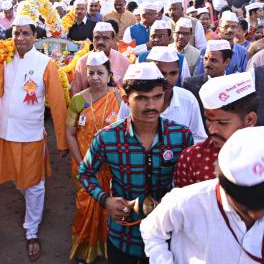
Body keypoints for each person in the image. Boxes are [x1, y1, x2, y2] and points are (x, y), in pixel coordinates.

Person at [79, 62, 193, 264]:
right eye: (141, 98)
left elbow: (188, 184)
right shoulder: (107, 138)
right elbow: (85, 173)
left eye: (157, 97)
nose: (151, 106)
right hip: (124, 234)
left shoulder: (181, 135)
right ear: (125, 100)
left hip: (167, 236)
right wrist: (105, 200)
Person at [0, 15, 68, 261]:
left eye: (25, 33)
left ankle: (31, 230)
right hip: (5, 132)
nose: (20, 38)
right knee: (16, 180)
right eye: (16, 33)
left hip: (31, 134)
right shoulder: (3, 59)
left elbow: (57, 104)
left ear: (35, 36)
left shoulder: (45, 63)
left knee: (33, 183)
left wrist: (62, 140)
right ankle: (36, 205)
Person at [140, 126, 264, 264]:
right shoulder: (189, 201)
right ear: (225, 188)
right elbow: (152, 230)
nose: (257, 215)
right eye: (246, 206)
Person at [67, 51, 124, 264]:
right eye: (91, 73)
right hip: (85, 167)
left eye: (100, 73)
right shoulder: (78, 100)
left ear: (110, 75)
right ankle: (84, 249)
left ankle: (109, 248)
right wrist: (83, 164)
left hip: (112, 168)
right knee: (85, 207)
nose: (95, 77)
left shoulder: (119, 97)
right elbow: (69, 133)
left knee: (111, 207)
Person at [175, 72, 258, 187]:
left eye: (222, 123)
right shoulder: (191, 158)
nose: (212, 130)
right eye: (208, 120)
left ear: (250, 120)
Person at [120, 47, 207, 143]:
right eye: (162, 73)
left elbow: (199, 137)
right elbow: (121, 131)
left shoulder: (188, 99)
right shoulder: (133, 100)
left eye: (173, 73)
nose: (168, 79)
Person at [71, 22, 130, 94]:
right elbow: (76, 91)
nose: (100, 42)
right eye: (97, 38)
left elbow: (128, 92)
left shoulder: (123, 61)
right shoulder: (82, 61)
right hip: (89, 104)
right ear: (92, 39)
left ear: (113, 40)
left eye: (105, 38)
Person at [183, 39, 233, 122]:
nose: (207, 64)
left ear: (227, 62)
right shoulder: (190, 84)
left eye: (213, 60)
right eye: (206, 59)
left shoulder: (233, 85)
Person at [136, 20, 191, 86]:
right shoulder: (142, 58)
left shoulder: (180, 59)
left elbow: (185, 85)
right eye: (153, 36)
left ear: (170, 38)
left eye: (161, 36)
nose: (156, 40)